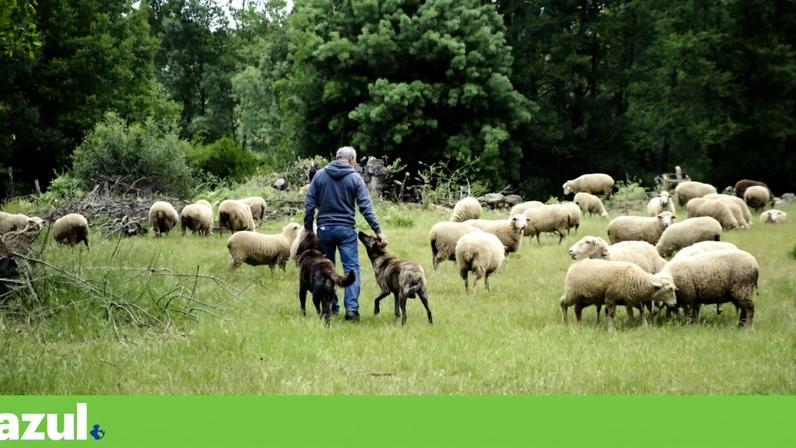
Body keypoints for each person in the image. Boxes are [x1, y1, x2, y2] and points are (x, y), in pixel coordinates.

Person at [304, 146, 387, 321]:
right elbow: (365, 207)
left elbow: (309, 203)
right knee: (351, 268)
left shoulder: (319, 176)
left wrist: (308, 229)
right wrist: (378, 231)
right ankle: (352, 309)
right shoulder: (355, 178)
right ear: (351, 160)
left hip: (324, 230)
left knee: (327, 270)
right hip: (346, 230)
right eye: (355, 160)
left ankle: (332, 308)